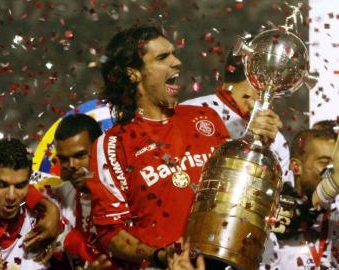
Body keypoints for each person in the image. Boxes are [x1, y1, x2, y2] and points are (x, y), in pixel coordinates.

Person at [87, 24, 281, 268]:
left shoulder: (205, 118)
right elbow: (110, 234)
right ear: (133, 74)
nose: (177, 62)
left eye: (173, 53)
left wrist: (255, 143)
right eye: (162, 57)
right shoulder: (113, 145)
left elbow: (232, 192)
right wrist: (159, 256)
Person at [182, 49, 293, 185]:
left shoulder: (276, 139)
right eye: (278, 73)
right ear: (258, 72)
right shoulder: (191, 111)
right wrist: (249, 139)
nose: (280, 86)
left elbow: (281, 197)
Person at [36, 114, 112, 267]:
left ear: (99, 149)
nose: (71, 165)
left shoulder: (128, 189)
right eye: (64, 159)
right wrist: (49, 208)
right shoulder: (60, 194)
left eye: (80, 155)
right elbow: (21, 190)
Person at [260, 128, 339, 269]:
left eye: (336, 164)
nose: (332, 171)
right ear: (296, 167)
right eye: (325, 162)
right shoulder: (272, 208)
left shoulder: (336, 212)